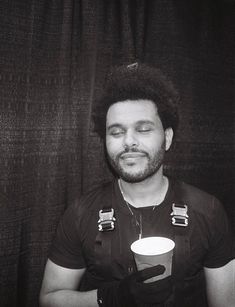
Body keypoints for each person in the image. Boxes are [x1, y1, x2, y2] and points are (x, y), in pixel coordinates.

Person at [39, 63, 235, 307]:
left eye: (143, 129)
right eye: (116, 132)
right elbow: (49, 298)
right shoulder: (80, 214)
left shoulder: (208, 211)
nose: (128, 142)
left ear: (168, 137)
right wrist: (110, 298)